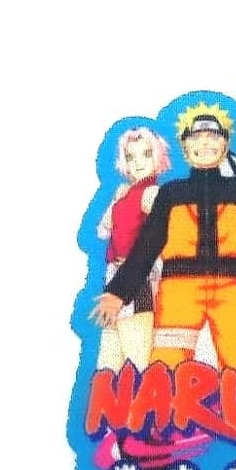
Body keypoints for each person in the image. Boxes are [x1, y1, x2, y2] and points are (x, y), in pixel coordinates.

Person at [91, 102, 236, 372]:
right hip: (179, 289)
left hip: (233, 288)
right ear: (185, 147)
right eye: (196, 138)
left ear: (225, 144)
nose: (205, 143)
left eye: (213, 137)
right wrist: (118, 292)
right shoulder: (170, 193)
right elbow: (146, 248)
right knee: (166, 364)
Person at [94, 127, 170, 371]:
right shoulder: (124, 192)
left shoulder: (153, 193)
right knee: (111, 347)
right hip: (114, 273)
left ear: (157, 156)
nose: (138, 163)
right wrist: (118, 201)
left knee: (137, 350)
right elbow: (103, 230)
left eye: (146, 154)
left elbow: (161, 237)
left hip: (140, 277)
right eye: (130, 156)